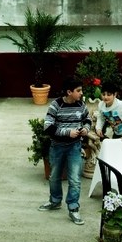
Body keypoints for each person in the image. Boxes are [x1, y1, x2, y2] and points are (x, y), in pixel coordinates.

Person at [37, 75, 91, 225]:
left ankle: (73, 208)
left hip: (75, 147)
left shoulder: (81, 104)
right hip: (57, 147)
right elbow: (48, 126)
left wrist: (86, 129)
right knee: (54, 177)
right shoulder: (55, 105)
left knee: (75, 179)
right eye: (78, 90)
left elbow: (87, 119)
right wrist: (68, 132)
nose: (81, 93)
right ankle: (55, 201)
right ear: (69, 92)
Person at [82, 81, 122, 179]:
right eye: (103, 94)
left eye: (109, 95)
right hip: (117, 133)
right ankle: (118, 176)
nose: (106, 97)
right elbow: (101, 117)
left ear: (115, 95)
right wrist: (98, 127)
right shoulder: (101, 105)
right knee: (116, 155)